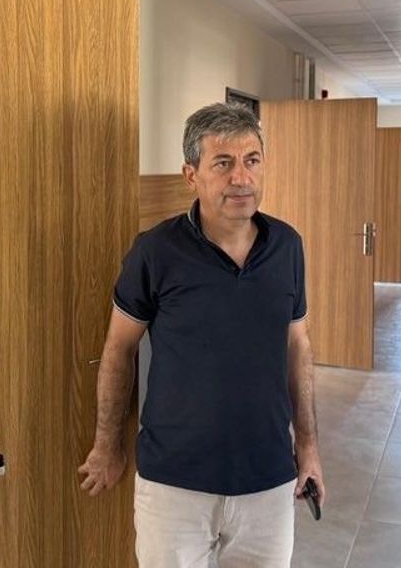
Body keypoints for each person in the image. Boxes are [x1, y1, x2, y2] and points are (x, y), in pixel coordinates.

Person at [77, 103, 324, 567]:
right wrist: (107, 444)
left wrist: (308, 448)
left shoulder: (288, 246)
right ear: (191, 174)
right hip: (174, 483)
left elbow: (298, 347)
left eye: (252, 160)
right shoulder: (155, 251)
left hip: (267, 478)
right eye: (223, 163)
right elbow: (119, 350)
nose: (241, 178)